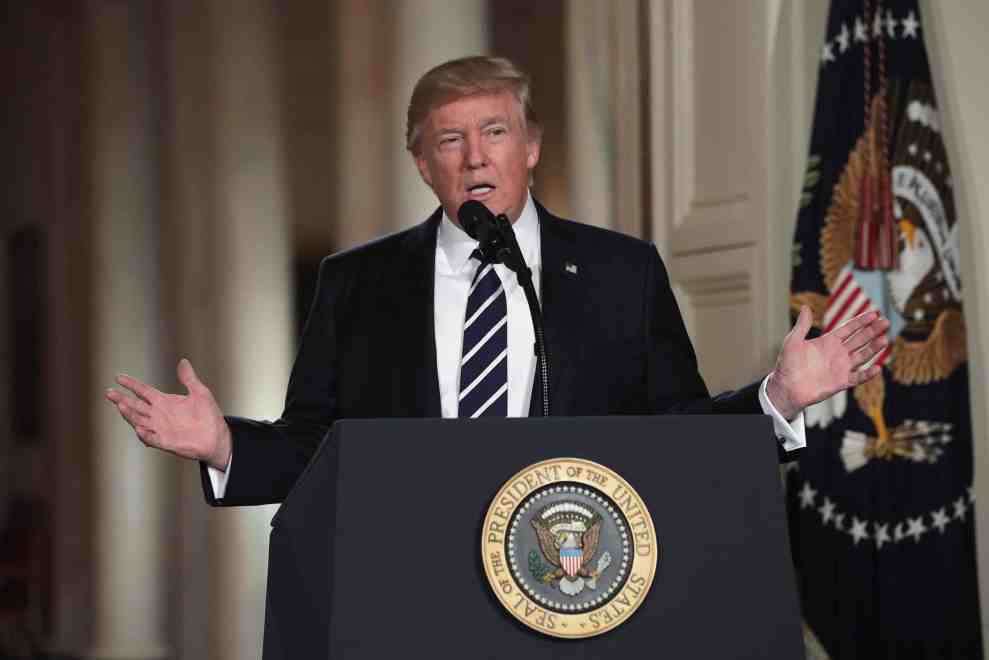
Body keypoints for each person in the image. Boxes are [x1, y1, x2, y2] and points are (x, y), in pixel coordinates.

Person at [105, 56, 890, 506]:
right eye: (449, 139)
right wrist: (223, 444)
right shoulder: (356, 284)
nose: (474, 157)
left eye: (494, 132)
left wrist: (777, 399)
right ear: (421, 163)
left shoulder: (622, 271)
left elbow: (675, 437)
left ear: (530, 147)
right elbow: (317, 448)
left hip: (581, 582)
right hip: (412, 596)